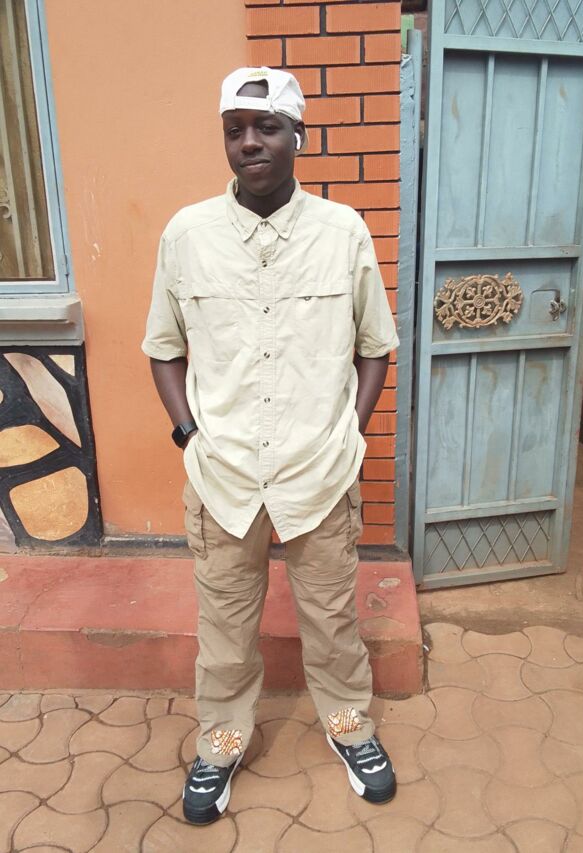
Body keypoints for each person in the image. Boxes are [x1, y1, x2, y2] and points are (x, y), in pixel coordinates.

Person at [142, 66, 400, 827]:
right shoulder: (187, 235)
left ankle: (350, 724)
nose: (249, 142)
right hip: (222, 475)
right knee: (224, 627)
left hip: (318, 471)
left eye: (266, 127)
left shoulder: (343, 232)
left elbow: (375, 345)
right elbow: (164, 348)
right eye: (235, 130)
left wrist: (349, 430)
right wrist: (189, 434)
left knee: (332, 617)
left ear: (298, 137)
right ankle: (221, 741)